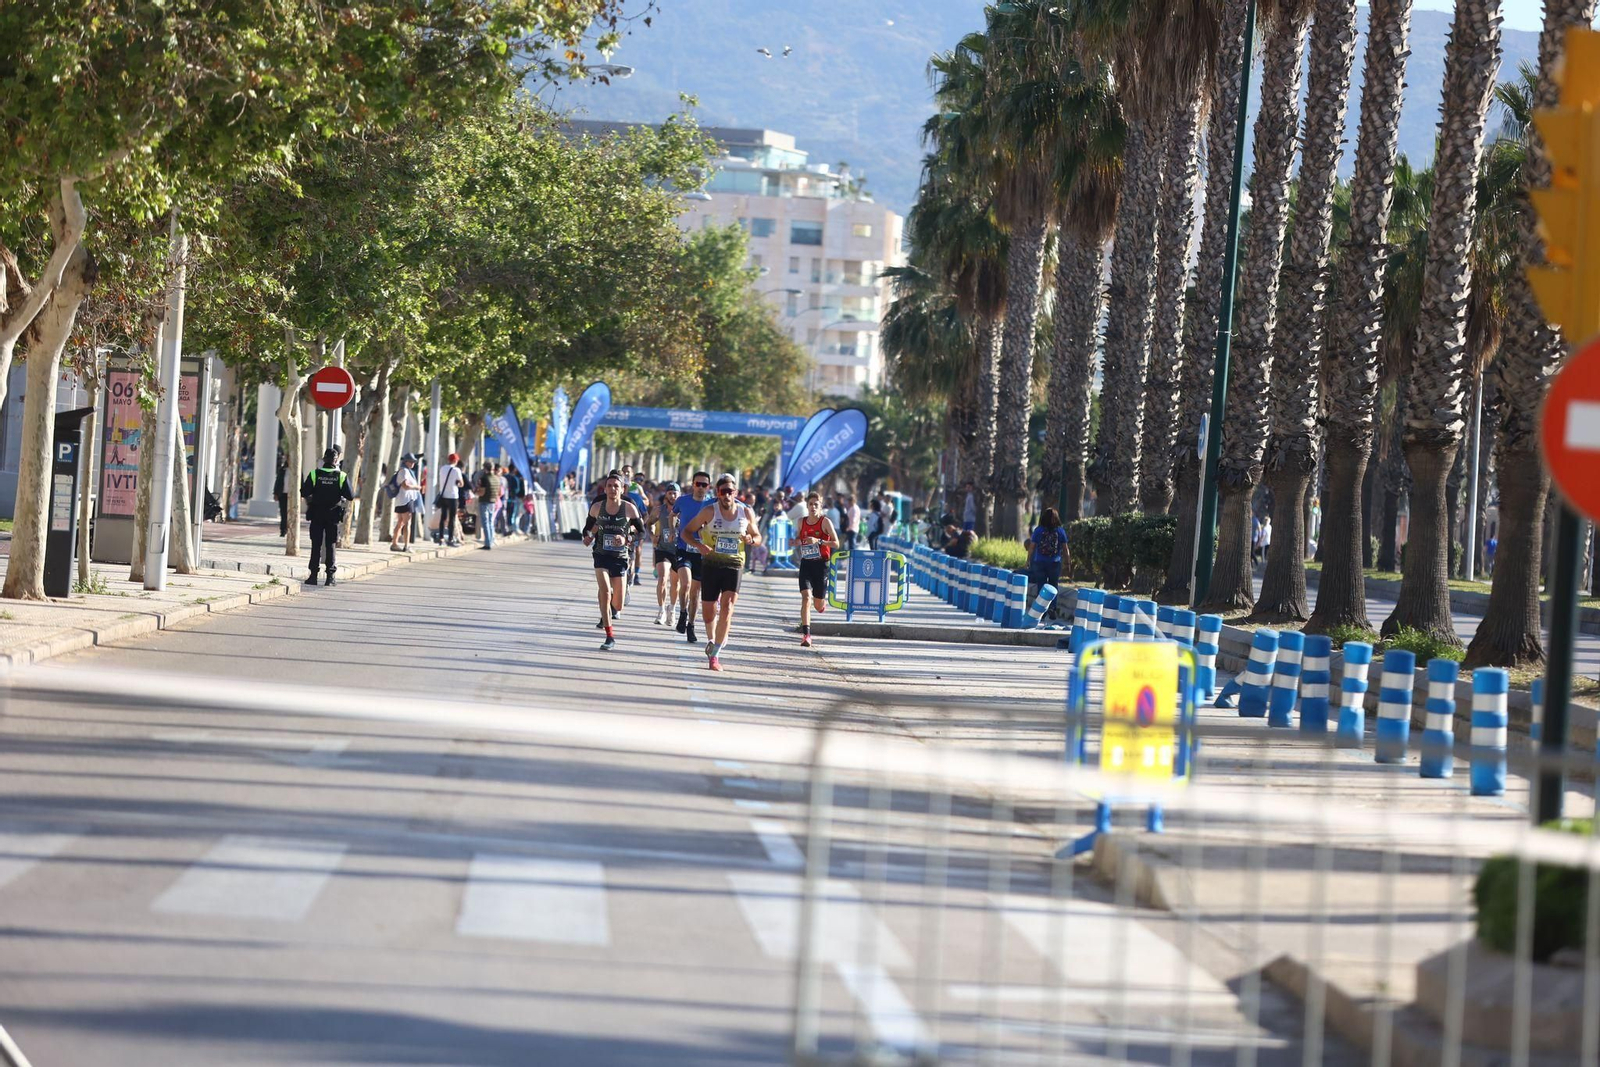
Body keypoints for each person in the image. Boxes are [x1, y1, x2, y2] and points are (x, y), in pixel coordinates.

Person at [682, 473, 762, 671]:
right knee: (709, 614)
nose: (727, 495)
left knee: (727, 606)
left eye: (730, 491)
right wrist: (699, 546)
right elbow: (686, 532)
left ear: (736, 493)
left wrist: (751, 541)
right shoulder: (709, 512)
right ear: (717, 493)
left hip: (734, 565)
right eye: (723, 491)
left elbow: (758, 536)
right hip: (710, 565)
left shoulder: (746, 513)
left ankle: (715, 654)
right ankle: (712, 638)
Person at [583, 473, 644, 651]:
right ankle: (609, 636)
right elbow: (587, 528)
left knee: (617, 604)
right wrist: (587, 537)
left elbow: (642, 533)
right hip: (601, 554)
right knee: (605, 590)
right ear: (605, 488)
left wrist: (626, 538)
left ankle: (614, 603)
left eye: (616, 486)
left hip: (620, 558)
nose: (612, 489)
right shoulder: (596, 507)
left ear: (622, 488)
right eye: (609, 486)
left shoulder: (629, 508)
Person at [301, 448, 354, 586]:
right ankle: (330, 578)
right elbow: (350, 495)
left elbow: (304, 491)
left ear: (324, 460)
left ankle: (313, 576)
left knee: (316, 545)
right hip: (333, 515)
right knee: (330, 545)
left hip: (317, 514)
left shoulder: (314, 474)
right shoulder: (341, 476)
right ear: (336, 461)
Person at [672, 471, 714, 644]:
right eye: (698, 484)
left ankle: (691, 625)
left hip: (702, 552)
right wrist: (672, 530)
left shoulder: (712, 503)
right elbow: (672, 515)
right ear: (693, 484)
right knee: (686, 583)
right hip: (684, 548)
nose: (701, 488)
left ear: (709, 487)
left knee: (696, 592)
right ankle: (682, 612)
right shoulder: (682, 501)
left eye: (704, 485)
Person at [794, 490, 839, 648]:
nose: (813, 507)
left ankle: (821, 603)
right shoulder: (801, 521)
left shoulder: (825, 522)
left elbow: (836, 543)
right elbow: (800, 539)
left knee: (817, 604)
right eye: (810, 504)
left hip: (821, 565)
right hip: (806, 563)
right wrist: (795, 542)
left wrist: (819, 541)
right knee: (806, 598)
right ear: (807, 506)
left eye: (816, 504)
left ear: (820, 507)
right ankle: (806, 635)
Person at [646, 482, 682, 625]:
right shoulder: (659, 510)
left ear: (679, 495)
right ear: (666, 495)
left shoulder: (683, 511)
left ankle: (671, 609)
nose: (672, 496)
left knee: (676, 583)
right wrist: (653, 535)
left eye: (675, 493)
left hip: (678, 551)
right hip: (663, 549)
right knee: (662, 578)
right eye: (670, 493)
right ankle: (661, 610)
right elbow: (649, 523)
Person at [1025, 507, 1068, 595]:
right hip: (1055, 562)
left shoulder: (1038, 530)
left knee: (1041, 584)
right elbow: (1065, 549)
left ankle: (1041, 606)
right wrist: (1068, 562)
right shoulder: (1060, 531)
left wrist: (1028, 560)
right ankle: (1052, 607)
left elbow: (1031, 548)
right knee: (1053, 585)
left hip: (1039, 561)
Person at [389, 453, 420, 553]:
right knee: (407, 523)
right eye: (411, 462)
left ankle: (394, 543)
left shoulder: (406, 471)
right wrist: (416, 487)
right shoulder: (404, 471)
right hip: (406, 500)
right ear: (405, 461)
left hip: (403, 500)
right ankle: (406, 546)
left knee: (401, 523)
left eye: (413, 462)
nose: (412, 464)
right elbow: (405, 486)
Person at [433, 452, 464, 546]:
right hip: (453, 496)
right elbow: (461, 484)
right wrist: (457, 482)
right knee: (452, 518)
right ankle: (450, 539)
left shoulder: (442, 469)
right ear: (455, 461)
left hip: (443, 495)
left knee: (443, 517)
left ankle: (441, 538)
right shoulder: (456, 470)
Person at [475, 461, 503, 550]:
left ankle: (487, 543)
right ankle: (491, 541)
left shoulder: (484, 478)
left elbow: (482, 492)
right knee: (491, 522)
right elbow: (499, 492)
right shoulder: (497, 478)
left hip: (484, 501)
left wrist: (476, 492)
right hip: (493, 501)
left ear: (485, 468)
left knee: (485, 522)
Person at [273, 456, 289, 537]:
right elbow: (278, 481)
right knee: (283, 513)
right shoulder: (282, 470)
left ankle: (290, 529)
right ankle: (283, 530)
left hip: (292, 496)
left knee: (291, 514)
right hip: (283, 494)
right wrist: (275, 493)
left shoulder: (298, 470)